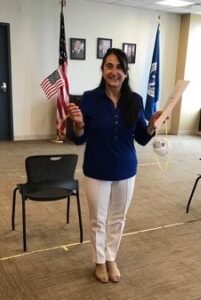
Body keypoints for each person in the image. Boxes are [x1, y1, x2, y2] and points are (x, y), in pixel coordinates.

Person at [67, 48, 161, 284]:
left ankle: (111, 257)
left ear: (126, 73)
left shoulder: (135, 100)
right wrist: (78, 125)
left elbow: (141, 136)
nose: (114, 72)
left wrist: (151, 126)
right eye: (109, 66)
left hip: (126, 169)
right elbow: (80, 137)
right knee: (98, 220)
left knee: (118, 219)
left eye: (119, 67)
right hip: (97, 168)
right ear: (102, 70)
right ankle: (99, 261)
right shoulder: (89, 98)